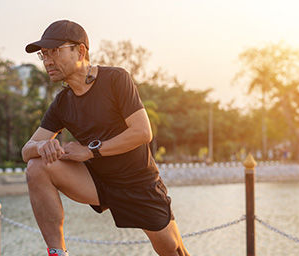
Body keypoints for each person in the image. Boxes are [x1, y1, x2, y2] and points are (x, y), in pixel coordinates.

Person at [22, 20, 190, 256]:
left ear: (80, 51)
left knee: (174, 251)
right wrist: (42, 146)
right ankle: (57, 253)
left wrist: (91, 151)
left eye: (55, 52)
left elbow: (142, 132)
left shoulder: (115, 79)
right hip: (97, 181)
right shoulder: (62, 103)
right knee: (36, 167)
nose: (48, 61)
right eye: (44, 54)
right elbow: (26, 149)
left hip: (138, 184)